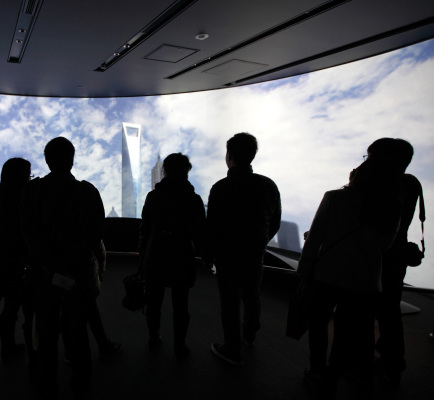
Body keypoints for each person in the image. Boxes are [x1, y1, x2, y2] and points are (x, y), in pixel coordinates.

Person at [298, 156, 402, 393]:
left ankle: (317, 368)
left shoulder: (335, 198)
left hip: (327, 274)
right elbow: (385, 246)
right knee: (346, 332)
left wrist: (304, 270)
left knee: (319, 323)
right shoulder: (392, 207)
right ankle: (333, 375)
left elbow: (315, 238)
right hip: (364, 281)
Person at [21, 137, 105, 399]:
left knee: (46, 333)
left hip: (44, 275)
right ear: (72, 159)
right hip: (76, 273)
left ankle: (47, 386)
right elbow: (95, 232)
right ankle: (81, 383)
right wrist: (72, 261)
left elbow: (29, 234)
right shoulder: (88, 192)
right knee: (77, 330)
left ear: (47, 160)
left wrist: (50, 266)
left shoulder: (32, 191)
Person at [204, 132, 281, 366]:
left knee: (229, 301)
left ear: (229, 156)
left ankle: (232, 348)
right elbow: (275, 221)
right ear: (252, 155)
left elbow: (213, 226)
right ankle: (250, 336)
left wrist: (209, 254)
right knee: (252, 295)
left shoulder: (220, 188)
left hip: (227, 254)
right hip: (255, 251)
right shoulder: (268, 185)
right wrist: (262, 241)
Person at [139, 153, 206, 358]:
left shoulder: (153, 197)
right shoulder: (194, 200)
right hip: (182, 254)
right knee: (181, 303)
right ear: (187, 171)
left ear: (165, 171)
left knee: (154, 302)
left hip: (156, 252)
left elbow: (145, 229)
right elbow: (200, 232)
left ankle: (154, 336)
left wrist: (142, 259)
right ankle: (180, 344)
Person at [369, 138, 424, 385]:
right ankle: (393, 363)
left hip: (373, 255)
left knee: (362, 307)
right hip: (397, 256)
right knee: (390, 310)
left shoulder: (383, 186)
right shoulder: (411, 184)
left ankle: (359, 361)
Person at [0, 157, 35, 367]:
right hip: (27, 259)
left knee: (10, 306)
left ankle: (7, 347)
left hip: (5, 259)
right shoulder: (26, 200)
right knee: (32, 307)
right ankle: (34, 349)